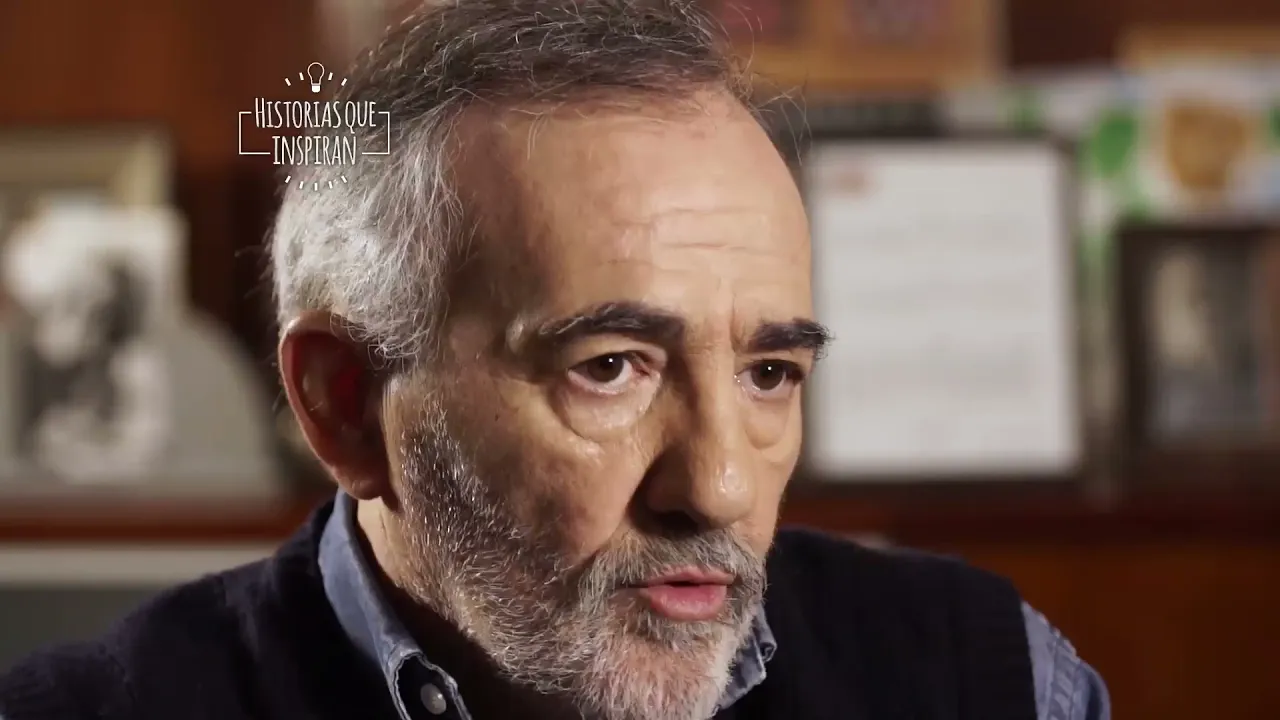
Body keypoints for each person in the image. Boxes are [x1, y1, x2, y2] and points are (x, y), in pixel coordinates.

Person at [0, 2, 1109, 719]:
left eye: (768, 373)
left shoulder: (990, 681)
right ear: (344, 404)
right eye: (611, 367)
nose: (720, 486)